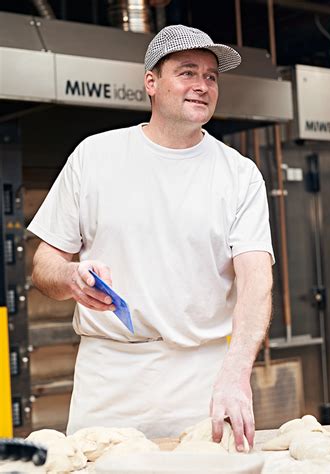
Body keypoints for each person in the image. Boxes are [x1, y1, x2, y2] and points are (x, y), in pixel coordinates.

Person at [28, 24, 274, 450]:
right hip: (109, 380)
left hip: (203, 380)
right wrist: (69, 276)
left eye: (211, 77)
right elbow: (43, 264)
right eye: (187, 72)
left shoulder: (239, 174)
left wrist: (237, 373)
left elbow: (257, 281)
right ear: (151, 83)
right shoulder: (95, 157)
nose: (202, 86)